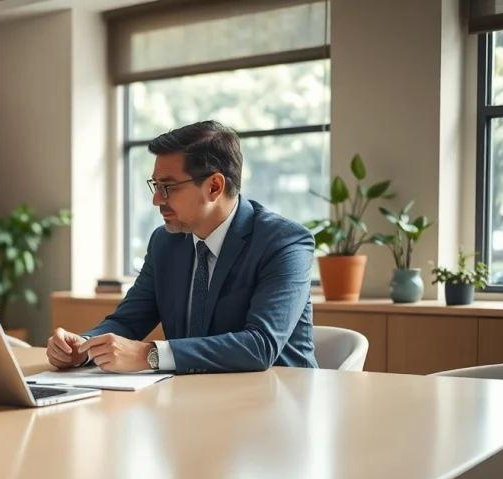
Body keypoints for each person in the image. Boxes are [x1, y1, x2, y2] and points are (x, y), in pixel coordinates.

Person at [47, 120, 317, 375]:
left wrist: (148, 354)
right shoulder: (165, 242)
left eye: (168, 187)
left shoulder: (284, 242)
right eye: (155, 186)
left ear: (214, 186)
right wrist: (82, 348)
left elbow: (260, 346)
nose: (156, 200)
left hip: (279, 402)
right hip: (190, 402)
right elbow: (129, 321)